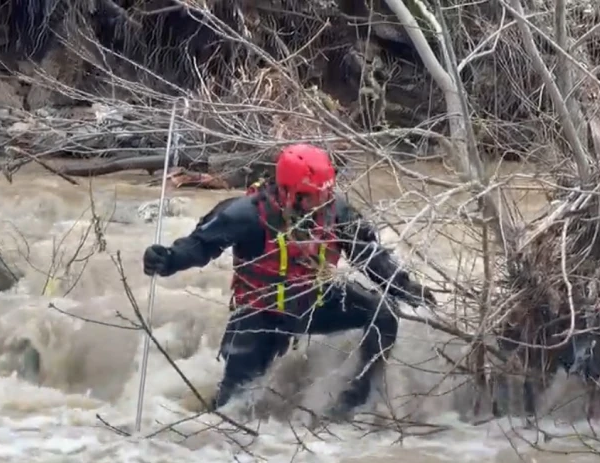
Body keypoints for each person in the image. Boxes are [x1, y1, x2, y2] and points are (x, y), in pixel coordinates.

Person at [142, 143, 435, 418]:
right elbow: (200, 245)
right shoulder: (246, 214)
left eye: (324, 194)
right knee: (232, 408)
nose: (320, 203)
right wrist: (167, 260)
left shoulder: (338, 212)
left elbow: (371, 257)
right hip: (259, 315)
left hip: (315, 304)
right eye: (310, 196)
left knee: (383, 314)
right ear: (287, 192)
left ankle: (356, 400)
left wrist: (407, 289)